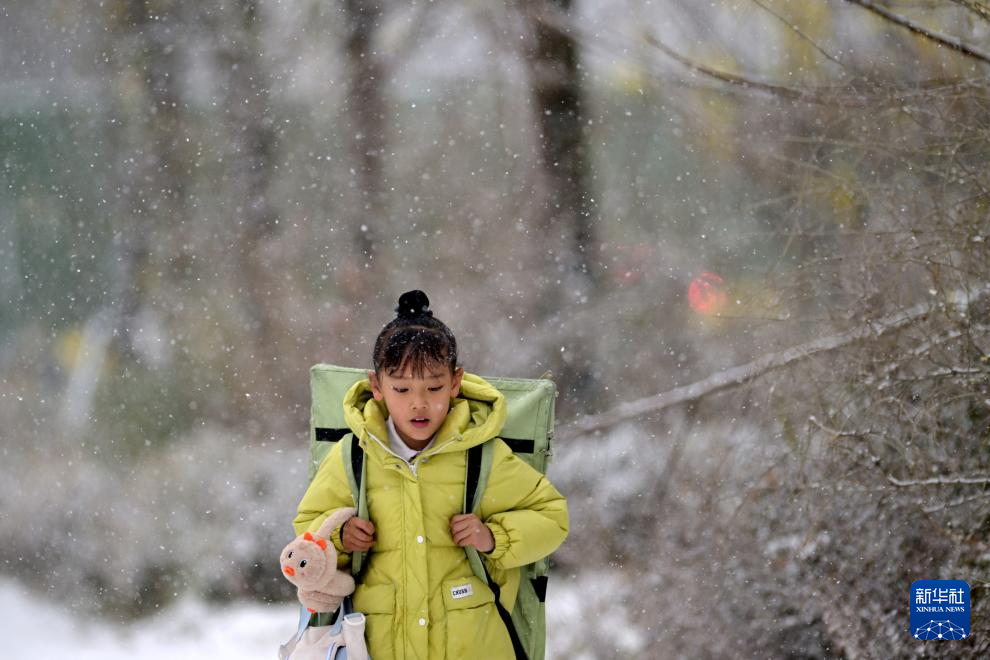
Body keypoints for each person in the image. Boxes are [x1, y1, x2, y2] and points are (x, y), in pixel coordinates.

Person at [293, 289, 569, 659]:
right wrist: (340, 537)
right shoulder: (354, 456)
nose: (419, 403)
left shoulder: (481, 455)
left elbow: (551, 517)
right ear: (377, 387)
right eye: (402, 388)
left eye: (434, 387)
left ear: (455, 383)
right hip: (379, 643)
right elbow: (308, 532)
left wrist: (493, 537)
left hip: (471, 642)